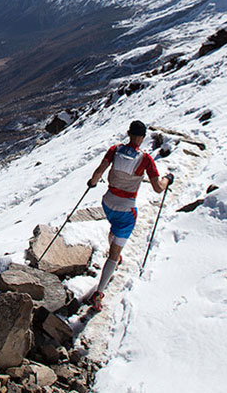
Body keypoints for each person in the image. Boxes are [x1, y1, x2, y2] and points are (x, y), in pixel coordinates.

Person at [86, 119, 173, 310]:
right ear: (142, 138)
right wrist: (168, 179)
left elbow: (100, 170)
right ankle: (99, 293)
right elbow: (158, 188)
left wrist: (92, 182)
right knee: (114, 253)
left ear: (128, 133)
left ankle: (114, 255)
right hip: (126, 209)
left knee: (114, 228)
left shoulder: (114, 150)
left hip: (107, 202)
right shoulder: (145, 159)